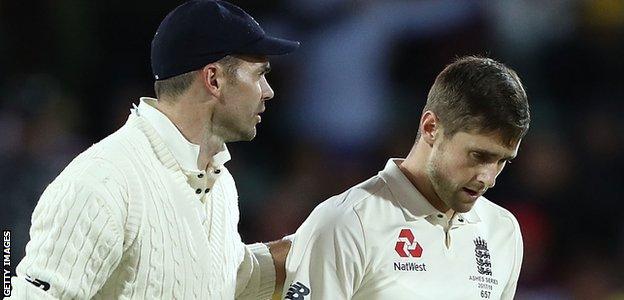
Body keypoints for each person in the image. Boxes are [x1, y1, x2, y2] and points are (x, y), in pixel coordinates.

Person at [10, 0, 299, 299]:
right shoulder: (103, 181)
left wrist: (329, 236)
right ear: (214, 79)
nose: (268, 91)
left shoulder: (219, 182)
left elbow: (216, 280)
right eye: (258, 75)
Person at [282, 56, 530, 300]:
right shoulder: (346, 223)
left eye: (502, 161)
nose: (489, 178)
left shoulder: (502, 230)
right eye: (478, 155)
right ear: (431, 127)